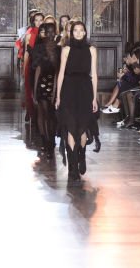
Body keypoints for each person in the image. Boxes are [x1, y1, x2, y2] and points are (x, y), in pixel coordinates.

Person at [54, 21, 98, 181]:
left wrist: (94, 97)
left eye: (81, 30)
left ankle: (82, 154)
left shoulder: (92, 50)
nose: (78, 33)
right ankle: (72, 167)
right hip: (69, 89)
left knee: (83, 127)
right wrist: (58, 96)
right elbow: (61, 74)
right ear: (71, 33)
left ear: (85, 33)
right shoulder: (66, 49)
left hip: (85, 89)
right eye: (75, 31)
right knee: (70, 127)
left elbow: (94, 74)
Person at [31, 21, 60, 159]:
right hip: (42, 82)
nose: (49, 34)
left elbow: (59, 71)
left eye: (52, 32)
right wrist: (34, 89)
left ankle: (52, 139)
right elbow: (37, 69)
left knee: (52, 114)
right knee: (43, 113)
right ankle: (45, 140)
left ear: (56, 33)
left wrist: (56, 89)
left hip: (54, 83)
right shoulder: (39, 48)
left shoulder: (59, 49)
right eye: (47, 32)